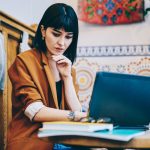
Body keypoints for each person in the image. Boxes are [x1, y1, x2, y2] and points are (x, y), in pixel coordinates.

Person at [6, 3, 87, 150]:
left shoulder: (69, 69)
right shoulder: (24, 61)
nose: (62, 43)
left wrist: (67, 78)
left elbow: (77, 110)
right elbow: (34, 111)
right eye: (56, 34)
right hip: (33, 140)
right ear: (43, 31)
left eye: (68, 37)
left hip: (61, 138)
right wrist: (75, 116)